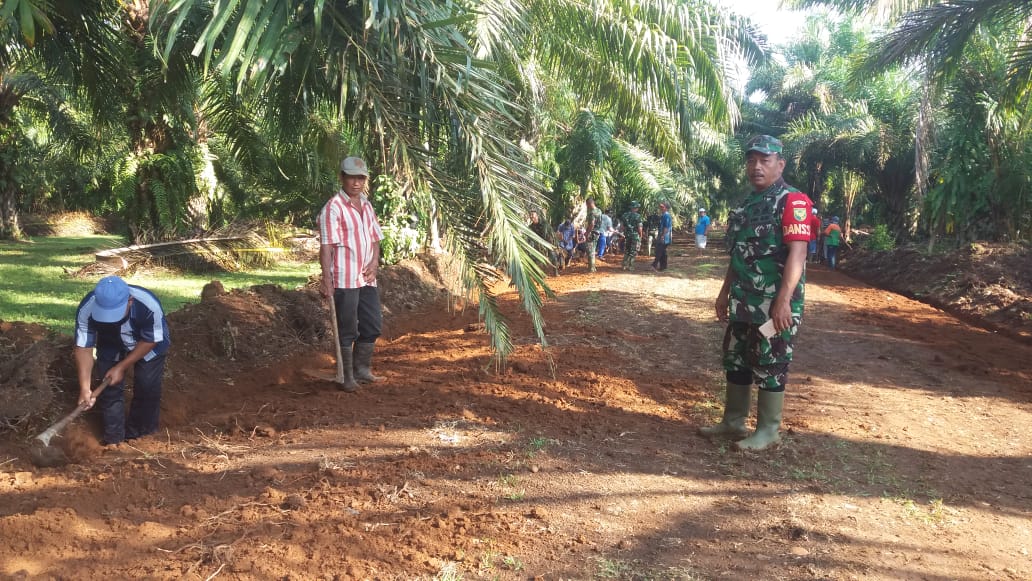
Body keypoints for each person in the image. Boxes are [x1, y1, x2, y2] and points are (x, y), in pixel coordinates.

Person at [700, 135, 813, 451]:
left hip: (773, 306)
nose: (757, 166)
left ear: (780, 164)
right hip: (743, 301)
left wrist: (784, 300)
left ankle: (767, 430)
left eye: (765, 160)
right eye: (752, 160)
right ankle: (733, 421)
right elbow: (739, 254)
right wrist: (724, 293)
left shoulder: (794, 202)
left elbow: (798, 254)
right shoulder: (745, 205)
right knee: (736, 358)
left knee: (770, 358)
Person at [74, 276, 170, 446]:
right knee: (109, 390)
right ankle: (114, 441)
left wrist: (122, 366)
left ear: (130, 301)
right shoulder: (87, 309)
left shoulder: (148, 305)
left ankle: (142, 438)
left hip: (147, 343)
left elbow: (150, 340)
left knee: (147, 387)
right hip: (110, 343)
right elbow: (84, 348)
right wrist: (85, 388)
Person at [318, 156, 385, 392]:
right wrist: (327, 280)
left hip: (367, 276)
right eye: (351, 178)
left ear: (365, 180)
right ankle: (346, 376)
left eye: (360, 178)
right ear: (342, 178)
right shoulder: (332, 209)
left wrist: (375, 262)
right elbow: (326, 247)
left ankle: (362, 369)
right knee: (347, 328)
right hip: (345, 276)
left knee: (373, 324)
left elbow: (375, 238)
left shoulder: (366, 205)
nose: (356, 183)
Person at [528, 210, 559, 275]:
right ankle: (538, 272)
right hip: (540, 241)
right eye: (530, 216)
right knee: (535, 256)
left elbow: (545, 235)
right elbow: (530, 235)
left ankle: (556, 272)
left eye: (533, 216)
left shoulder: (544, 223)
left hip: (549, 241)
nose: (532, 217)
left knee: (552, 256)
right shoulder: (531, 226)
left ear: (537, 216)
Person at [620, 201, 644, 271]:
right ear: (636, 208)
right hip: (635, 236)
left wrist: (625, 232)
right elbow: (640, 228)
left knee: (627, 250)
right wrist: (640, 236)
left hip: (627, 235)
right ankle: (630, 266)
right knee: (633, 251)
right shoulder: (638, 216)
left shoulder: (625, 215)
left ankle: (624, 265)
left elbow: (622, 227)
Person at [583, 197, 603, 272]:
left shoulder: (592, 212)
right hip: (597, 232)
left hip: (592, 232)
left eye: (587, 205)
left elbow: (591, 224)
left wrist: (587, 233)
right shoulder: (599, 211)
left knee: (590, 250)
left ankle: (591, 268)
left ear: (589, 203)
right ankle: (593, 267)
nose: (587, 206)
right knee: (593, 249)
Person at [651, 202, 673, 272]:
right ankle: (663, 266)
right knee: (663, 252)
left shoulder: (666, 216)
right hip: (664, 235)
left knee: (659, 251)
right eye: (660, 207)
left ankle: (654, 265)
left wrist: (662, 235)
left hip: (664, 236)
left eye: (662, 207)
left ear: (666, 208)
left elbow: (666, 227)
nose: (661, 208)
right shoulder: (664, 215)